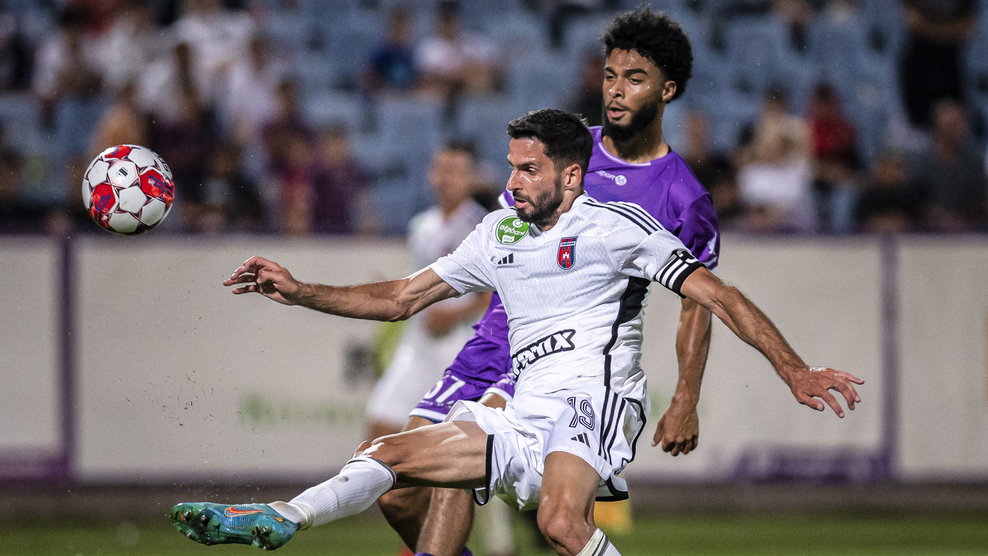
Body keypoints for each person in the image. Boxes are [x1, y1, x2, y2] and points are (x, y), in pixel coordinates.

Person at [172, 109, 864, 556]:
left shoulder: (617, 230)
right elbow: (402, 297)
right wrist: (301, 292)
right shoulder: (498, 232)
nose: (513, 180)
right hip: (522, 407)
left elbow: (719, 295)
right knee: (387, 454)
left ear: (571, 174)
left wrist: (793, 369)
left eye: (528, 168)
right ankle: (283, 517)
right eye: (510, 166)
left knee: (562, 525)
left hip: (596, 398)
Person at [378, 9, 721, 556]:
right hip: (493, 343)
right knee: (397, 495)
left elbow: (697, 303)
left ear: (667, 90)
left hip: (566, 362)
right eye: (610, 75)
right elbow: (503, 235)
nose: (615, 90)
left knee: (556, 522)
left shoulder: (683, 198)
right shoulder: (562, 149)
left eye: (635, 78)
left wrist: (686, 395)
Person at [364, 141, 492, 441]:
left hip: (458, 349)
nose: (445, 178)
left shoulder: (482, 227)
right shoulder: (421, 225)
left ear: (471, 178)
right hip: (417, 346)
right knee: (379, 427)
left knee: (442, 443)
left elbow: (491, 298)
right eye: (440, 169)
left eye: (455, 171)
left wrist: (451, 316)